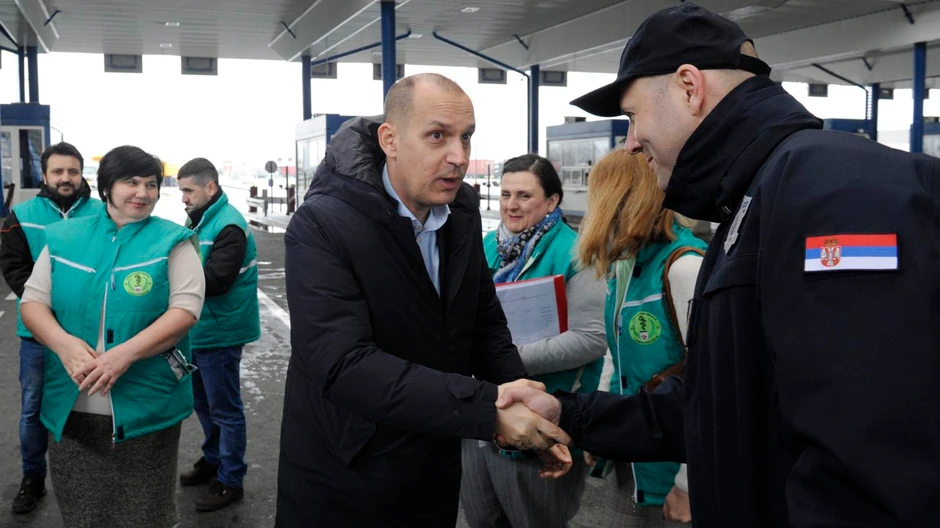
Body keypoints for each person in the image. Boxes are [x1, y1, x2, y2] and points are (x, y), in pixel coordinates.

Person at [496, 3, 940, 527]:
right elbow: (719, 404)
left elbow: (872, 456)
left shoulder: (834, 192)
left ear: (689, 87)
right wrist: (570, 413)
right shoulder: (754, 203)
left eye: (634, 115)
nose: (632, 141)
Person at [276, 73, 570, 527]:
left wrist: (527, 411)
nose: (458, 157)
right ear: (389, 140)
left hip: (432, 455)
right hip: (345, 472)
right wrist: (486, 410)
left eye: (466, 138)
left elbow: (484, 324)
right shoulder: (322, 225)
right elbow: (342, 364)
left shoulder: (461, 213)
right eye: (438, 136)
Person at [20, 145, 205, 527]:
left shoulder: (174, 241)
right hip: (72, 409)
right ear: (106, 187)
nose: (142, 192)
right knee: (83, 514)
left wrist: (124, 355)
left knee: (146, 514)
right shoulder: (62, 237)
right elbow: (33, 303)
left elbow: (185, 311)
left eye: (151, 184)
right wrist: (63, 343)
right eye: (131, 182)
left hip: (146, 408)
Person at [460, 153, 607, 528]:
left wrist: (504, 359)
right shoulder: (485, 246)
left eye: (524, 195)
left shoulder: (577, 253)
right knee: (482, 520)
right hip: (482, 416)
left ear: (552, 201)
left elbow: (590, 340)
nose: (511, 204)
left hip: (544, 418)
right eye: (505, 194)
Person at [577, 150, 703, 527]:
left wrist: (686, 483)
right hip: (635, 454)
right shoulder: (626, 267)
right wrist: (602, 427)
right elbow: (615, 358)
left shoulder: (684, 267)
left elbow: (712, 386)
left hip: (673, 470)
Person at [0, 142, 103, 514]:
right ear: (44, 175)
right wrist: (50, 315)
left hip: (91, 336)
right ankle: (33, 478)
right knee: (33, 409)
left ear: (81, 175)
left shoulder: (101, 212)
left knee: (90, 408)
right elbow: (15, 268)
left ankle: (90, 477)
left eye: (72, 171)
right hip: (38, 340)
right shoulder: (21, 215)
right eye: (57, 171)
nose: (65, 178)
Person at [176, 157, 260, 511]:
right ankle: (213, 459)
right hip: (199, 329)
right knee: (202, 403)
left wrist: (169, 281)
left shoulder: (229, 226)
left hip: (222, 332)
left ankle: (231, 479)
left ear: (210, 188)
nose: (183, 198)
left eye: (187, 191)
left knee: (225, 409)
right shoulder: (200, 219)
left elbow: (216, 281)